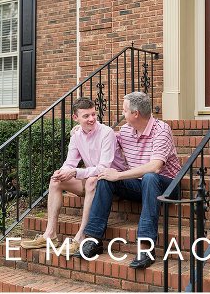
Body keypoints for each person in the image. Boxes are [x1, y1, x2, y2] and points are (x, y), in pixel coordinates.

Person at [76, 91, 181, 269]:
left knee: (149, 177)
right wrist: (82, 130)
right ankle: (93, 239)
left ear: (135, 114)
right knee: (105, 177)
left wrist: (119, 175)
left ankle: (146, 247)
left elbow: (155, 166)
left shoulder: (161, 130)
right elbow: (103, 138)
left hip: (167, 185)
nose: (122, 114)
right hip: (139, 184)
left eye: (124, 111)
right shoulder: (125, 130)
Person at [20, 98, 114, 253]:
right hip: (91, 179)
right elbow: (70, 162)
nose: (91, 119)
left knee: (91, 181)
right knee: (55, 181)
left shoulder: (106, 133)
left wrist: (76, 172)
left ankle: (81, 236)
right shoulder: (76, 135)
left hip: (109, 182)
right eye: (86, 116)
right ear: (75, 118)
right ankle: (50, 234)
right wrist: (62, 172)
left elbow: (104, 168)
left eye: (93, 114)